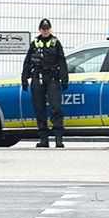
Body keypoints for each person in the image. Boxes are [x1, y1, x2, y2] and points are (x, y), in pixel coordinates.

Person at [21, 18, 69, 148]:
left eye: (47, 29)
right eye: (43, 29)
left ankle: (58, 139)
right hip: (37, 78)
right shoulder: (34, 43)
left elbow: (62, 61)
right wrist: (24, 79)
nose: (45, 31)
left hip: (52, 78)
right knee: (39, 108)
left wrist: (65, 78)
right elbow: (27, 62)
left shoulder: (55, 42)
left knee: (56, 108)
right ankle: (44, 139)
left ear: (50, 29)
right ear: (40, 30)